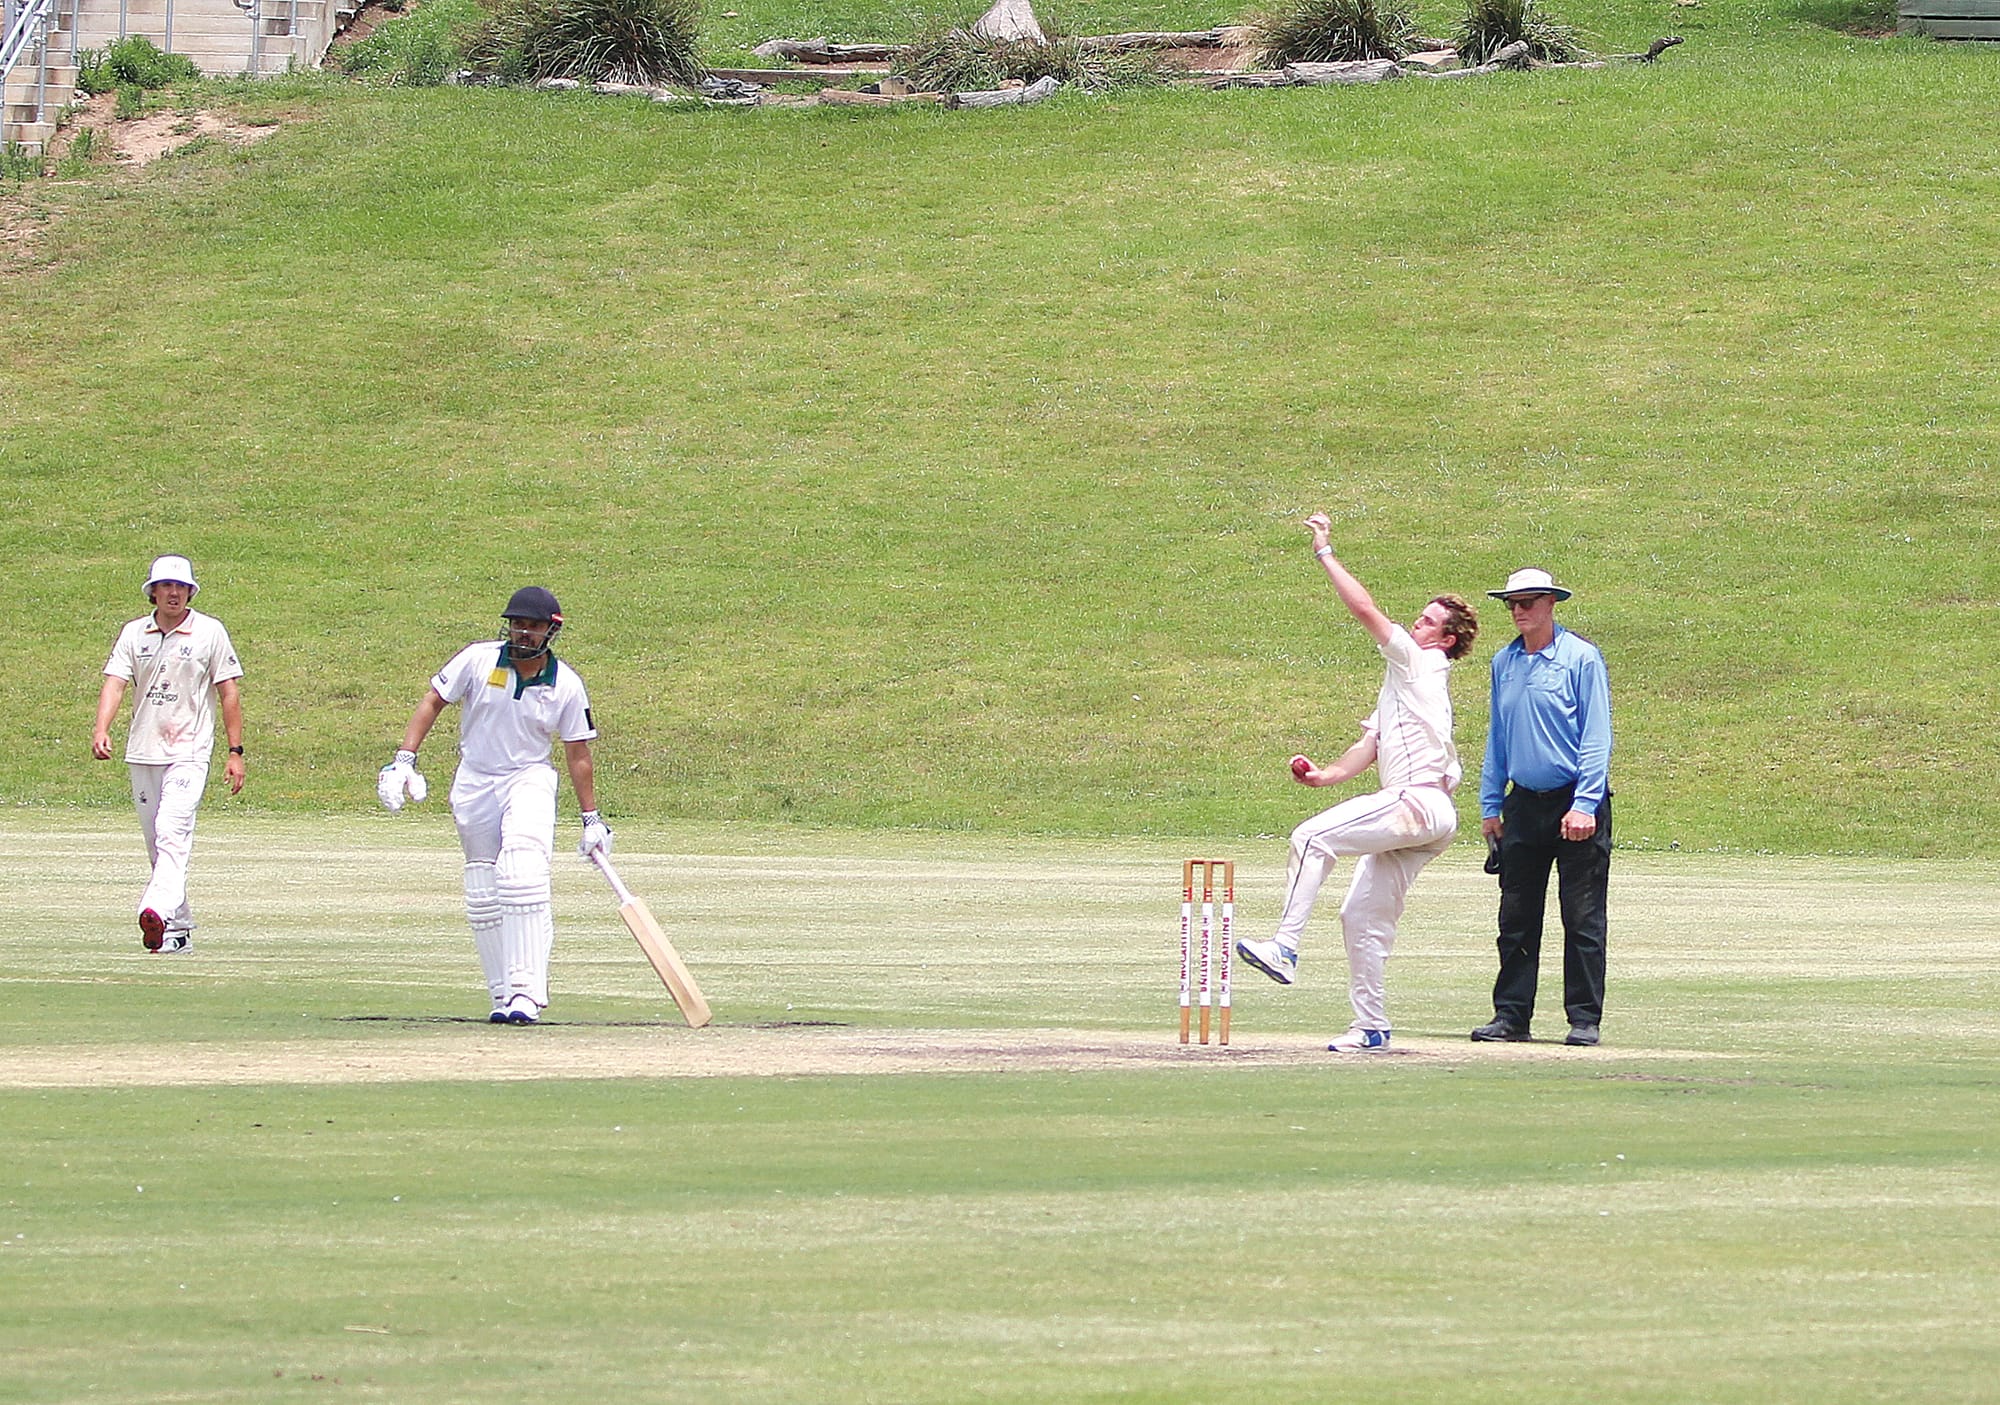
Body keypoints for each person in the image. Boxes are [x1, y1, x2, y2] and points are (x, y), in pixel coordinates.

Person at [1236, 514, 1479, 1053]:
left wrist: (1325, 552)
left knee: (1310, 839)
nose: (1415, 625)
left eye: (1426, 620)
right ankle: (1371, 1026)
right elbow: (1367, 751)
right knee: (1361, 917)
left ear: (1446, 638)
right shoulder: (1408, 686)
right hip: (1431, 817)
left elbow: (1364, 609)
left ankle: (1284, 947)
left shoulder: (1419, 663)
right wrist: (1324, 776)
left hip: (1417, 803)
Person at [379, 586, 611, 1026]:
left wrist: (591, 818)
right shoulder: (478, 659)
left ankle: (527, 992)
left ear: (551, 630)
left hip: (528, 777)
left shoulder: (566, 684)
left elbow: (577, 753)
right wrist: (403, 760)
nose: (522, 633)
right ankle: (503, 993)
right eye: (516, 624)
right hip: (475, 779)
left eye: (533, 626)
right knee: (484, 888)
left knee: (522, 873)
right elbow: (433, 700)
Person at [1472, 567, 1612, 1047]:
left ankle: (1583, 1018)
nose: (1518, 610)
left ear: (1552, 603)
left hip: (1575, 802)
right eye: (1512, 603)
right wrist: (1492, 805)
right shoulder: (1503, 663)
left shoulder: (1580, 659)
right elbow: (1499, 738)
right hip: (1524, 805)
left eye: (1528, 601)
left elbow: (1596, 737)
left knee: (1583, 917)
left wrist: (1586, 803)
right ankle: (1511, 1015)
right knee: (1515, 916)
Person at [92, 554, 246, 953]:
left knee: (171, 832)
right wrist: (101, 728)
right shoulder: (133, 633)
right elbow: (115, 684)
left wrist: (235, 751)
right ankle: (177, 930)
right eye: (166, 586)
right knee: (156, 844)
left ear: (190, 591)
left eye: (181, 587)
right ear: (153, 592)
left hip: (189, 750)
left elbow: (228, 692)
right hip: (143, 750)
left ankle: (155, 908)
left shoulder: (210, 631)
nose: (174, 593)